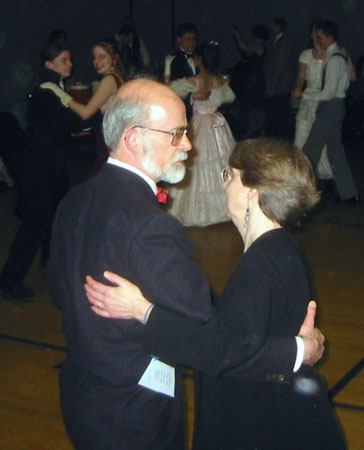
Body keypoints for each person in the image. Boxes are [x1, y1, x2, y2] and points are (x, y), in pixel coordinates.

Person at [47, 79, 324, 450]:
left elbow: (61, 292)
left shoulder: (74, 200)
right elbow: (214, 340)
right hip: (135, 415)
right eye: (177, 134)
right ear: (133, 139)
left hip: (84, 398)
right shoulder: (151, 227)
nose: (189, 145)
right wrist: (298, 351)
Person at [85, 138, 346, 450]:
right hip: (273, 412)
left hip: (260, 424)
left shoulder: (262, 262)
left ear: (252, 192)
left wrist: (142, 310)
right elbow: (239, 329)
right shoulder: (280, 248)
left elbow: (222, 350)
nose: (224, 185)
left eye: (230, 176)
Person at [0, 41, 85, 302]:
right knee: (35, 223)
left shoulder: (54, 89)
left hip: (51, 167)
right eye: (64, 60)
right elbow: (72, 121)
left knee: (58, 217)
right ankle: (9, 281)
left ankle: (51, 263)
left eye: (69, 59)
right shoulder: (47, 91)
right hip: (40, 169)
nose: (69, 64)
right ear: (49, 65)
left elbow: (66, 127)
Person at [167, 41, 236, 226]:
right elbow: (230, 97)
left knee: (197, 164)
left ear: (199, 59)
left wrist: (192, 96)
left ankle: (202, 209)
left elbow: (169, 89)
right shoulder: (221, 81)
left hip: (200, 123)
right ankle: (227, 204)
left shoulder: (194, 81)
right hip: (217, 123)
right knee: (222, 163)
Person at [41, 38, 126, 172]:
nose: (96, 62)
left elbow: (86, 113)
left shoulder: (109, 80)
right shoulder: (118, 78)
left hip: (108, 139)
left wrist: (59, 92)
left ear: (114, 58)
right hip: (114, 138)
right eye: (95, 57)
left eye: (102, 57)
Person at [301, 20, 359, 203]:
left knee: (310, 149)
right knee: (335, 151)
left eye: (319, 36)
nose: (316, 40)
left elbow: (328, 93)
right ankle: (349, 194)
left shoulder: (334, 58)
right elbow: (351, 78)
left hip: (331, 106)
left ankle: (302, 194)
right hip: (336, 106)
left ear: (329, 37)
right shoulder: (340, 54)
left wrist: (305, 95)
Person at [264, 17, 295, 138]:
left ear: (277, 26)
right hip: (280, 85)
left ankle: (282, 140)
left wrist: (272, 86)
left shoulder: (284, 42)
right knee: (279, 114)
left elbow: (280, 66)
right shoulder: (278, 41)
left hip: (281, 85)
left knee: (281, 115)